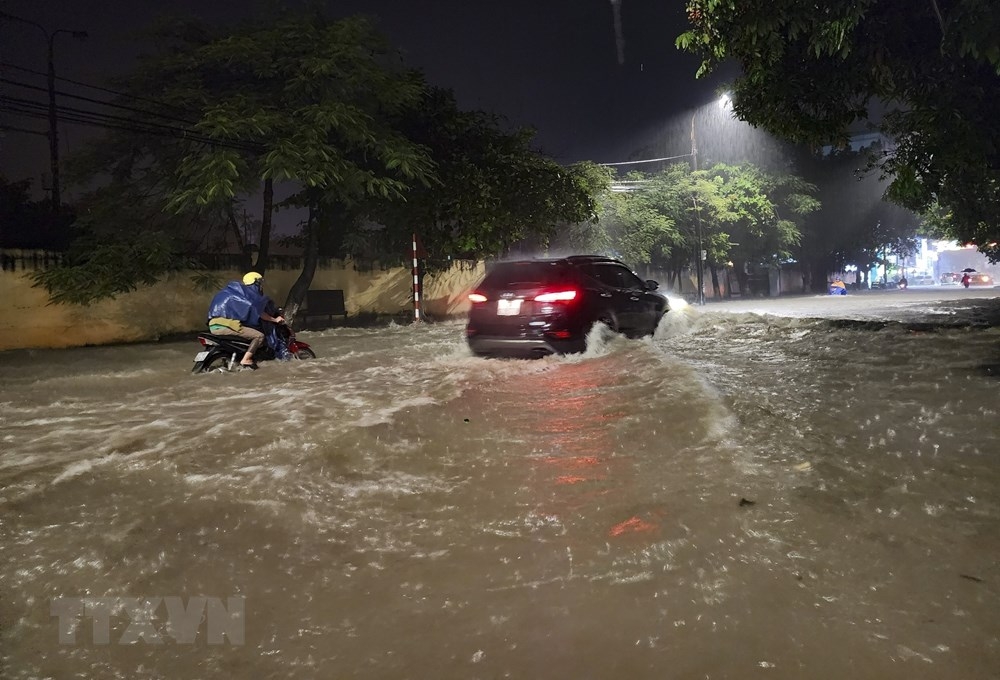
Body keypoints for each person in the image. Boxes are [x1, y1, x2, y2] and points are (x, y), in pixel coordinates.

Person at [206, 272, 284, 369]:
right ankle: (246, 359)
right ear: (256, 283)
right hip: (226, 326)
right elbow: (259, 313)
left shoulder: (229, 291)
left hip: (213, 325)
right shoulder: (248, 296)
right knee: (259, 336)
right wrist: (275, 319)